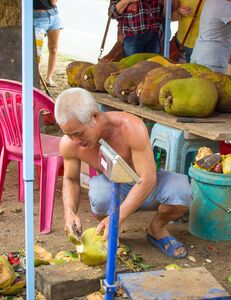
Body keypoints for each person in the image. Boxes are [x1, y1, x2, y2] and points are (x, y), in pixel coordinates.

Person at [56, 88, 191, 259]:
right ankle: (112, 231)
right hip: (115, 188)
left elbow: (148, 179)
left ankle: (156, 228)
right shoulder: (69, 144)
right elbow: (70, 179)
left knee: (182, 192)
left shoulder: (130, 127)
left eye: (78, 133)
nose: (75, 141)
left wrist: (117, 216)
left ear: (95, 117)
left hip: (148, 185)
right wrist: (69, 212)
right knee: (99, 196)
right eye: (68, 135)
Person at [33, 0, 63, 87]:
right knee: (36, 53)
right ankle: (34, 79)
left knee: (54, 49)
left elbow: (53, 2)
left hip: (53, 16)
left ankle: (49, 78)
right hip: (36, 18)